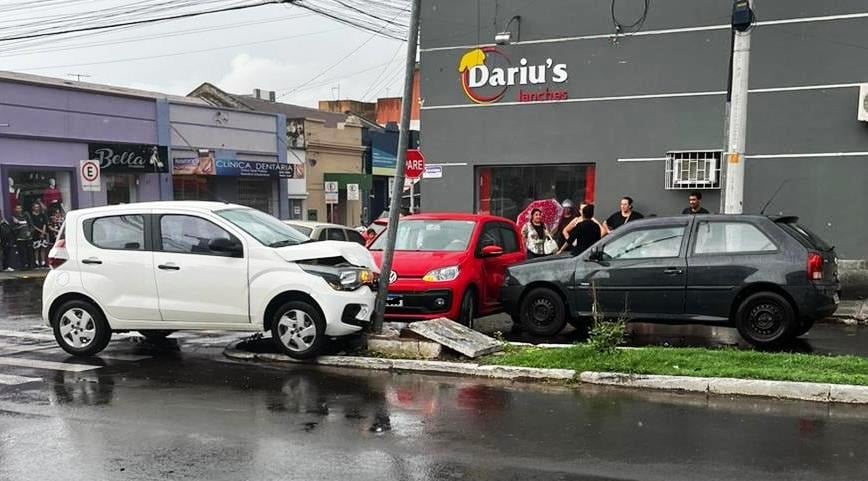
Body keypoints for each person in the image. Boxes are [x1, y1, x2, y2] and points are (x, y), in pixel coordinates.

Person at [11, 205, 32, 270]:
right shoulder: (14, 218)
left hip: (28, 237)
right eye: (17, 208)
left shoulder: (26, 216)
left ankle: (30, 265)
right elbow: (12, 229)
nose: (18, 209)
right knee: (22, 252)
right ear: (15, 209)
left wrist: (30, 231)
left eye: (20, 208)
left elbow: (31, 225)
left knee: (29, 252)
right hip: (20, 238)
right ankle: (24, 265)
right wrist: (19, 226)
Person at [28, 203, 49, 268]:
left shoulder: (42, 215)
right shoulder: (31, 216)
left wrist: (43, 232)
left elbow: (44, 224)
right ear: (33, 208)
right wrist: (40, 231)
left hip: (43, 233)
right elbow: (32, 225)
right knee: (36, 248)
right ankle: (36, 262)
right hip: (35, 233)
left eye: (38, 207)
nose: (37, 208)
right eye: (35, 207)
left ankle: (43, 262)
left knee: (43, 248)